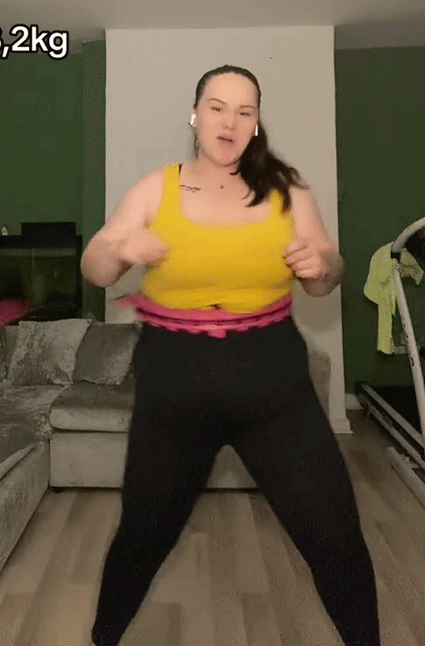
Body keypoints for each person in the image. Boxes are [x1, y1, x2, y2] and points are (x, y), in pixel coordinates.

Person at [81, 65, 382, 646]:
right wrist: (120, 251)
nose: (230, 121)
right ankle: (103, 638)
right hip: (173, 389)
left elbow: (327, 275)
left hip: (274, 387)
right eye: (218, 107)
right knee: (142, 538)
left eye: (245, 111)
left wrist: (322, 266)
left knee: (335, 534)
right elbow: (95, 267)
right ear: (195, 115)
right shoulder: (156, 188)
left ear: (256, 123)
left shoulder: (288, 190)